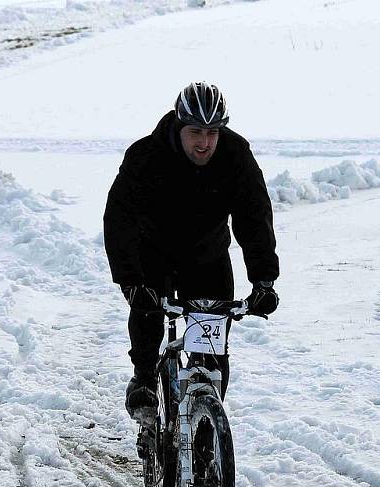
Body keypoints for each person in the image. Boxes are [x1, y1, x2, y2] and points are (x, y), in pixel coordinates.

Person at [103, 81, 280, 423]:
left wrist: (263, 281)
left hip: (206, 258)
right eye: (196, 131)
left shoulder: (235, 156)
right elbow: (118, 219)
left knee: (210, 356)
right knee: (148, 316)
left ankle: (205, 426)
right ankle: (144, 379)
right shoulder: (146, 156)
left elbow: (254, 217)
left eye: (213, 132)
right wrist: (130, 281)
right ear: (180, 126)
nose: (204, 142)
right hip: (151, 255)